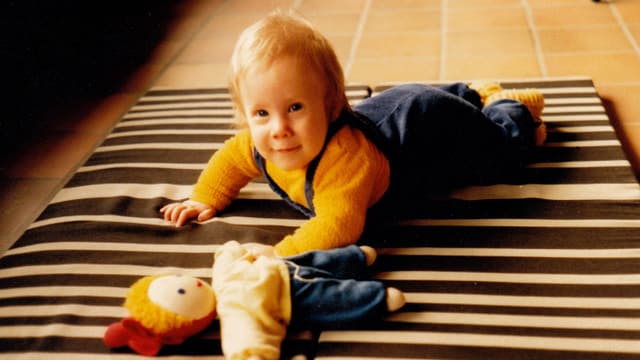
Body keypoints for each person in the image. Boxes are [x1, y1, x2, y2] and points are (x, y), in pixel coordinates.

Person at [160, 10, 545, 256]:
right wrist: (205, 196)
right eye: (261, 113)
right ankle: (471, 91)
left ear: (330, 105)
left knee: (504, 152)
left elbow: (338, 226)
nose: (279, 129)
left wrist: (278, 254)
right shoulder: (257, 143)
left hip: (426, 126)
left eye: (295, 108)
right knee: (418, 98)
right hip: (395, 110)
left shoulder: (343, 162)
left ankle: (508, 105)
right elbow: (229, 160)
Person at [213, 240, 405, 360]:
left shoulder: (223, 271)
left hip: (282, 265)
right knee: (329, 296)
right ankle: (376, 297)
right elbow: (244, 334)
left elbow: (228, 250)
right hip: (289, 295)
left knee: (319, 259)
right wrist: (253, 354)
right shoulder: (232, 305)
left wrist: (242, 249)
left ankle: (356, 257)